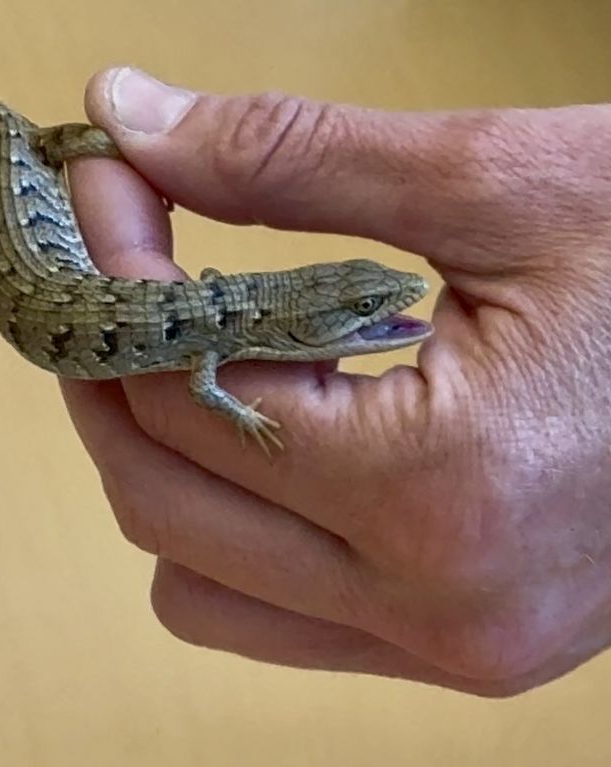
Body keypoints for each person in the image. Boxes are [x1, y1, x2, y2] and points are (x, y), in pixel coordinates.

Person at [62, 66, 611, 697]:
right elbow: (202, 388)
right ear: (304, 326)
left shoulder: (240, 331)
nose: (404, 296)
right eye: (362, 306)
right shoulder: (228, 338)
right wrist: (243, 418)